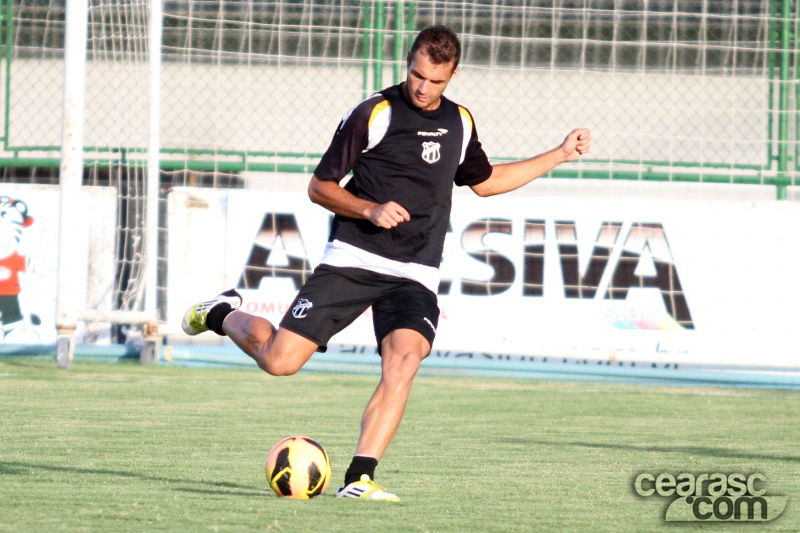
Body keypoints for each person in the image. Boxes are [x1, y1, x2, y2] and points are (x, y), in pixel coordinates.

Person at [182, 25, 591, 501]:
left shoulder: (460, 122)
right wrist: (370, 209)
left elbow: (485, 181)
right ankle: (220, 312)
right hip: (355, 257)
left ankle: (359, 478)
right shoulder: (374, 112)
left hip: (416, 270)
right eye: (417, 75)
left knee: (404, 360)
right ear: (409, 63)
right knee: (279, 362)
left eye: (435, 81)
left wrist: (560, 154)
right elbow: (320, 187)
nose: (423, 87)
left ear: (452, 75)